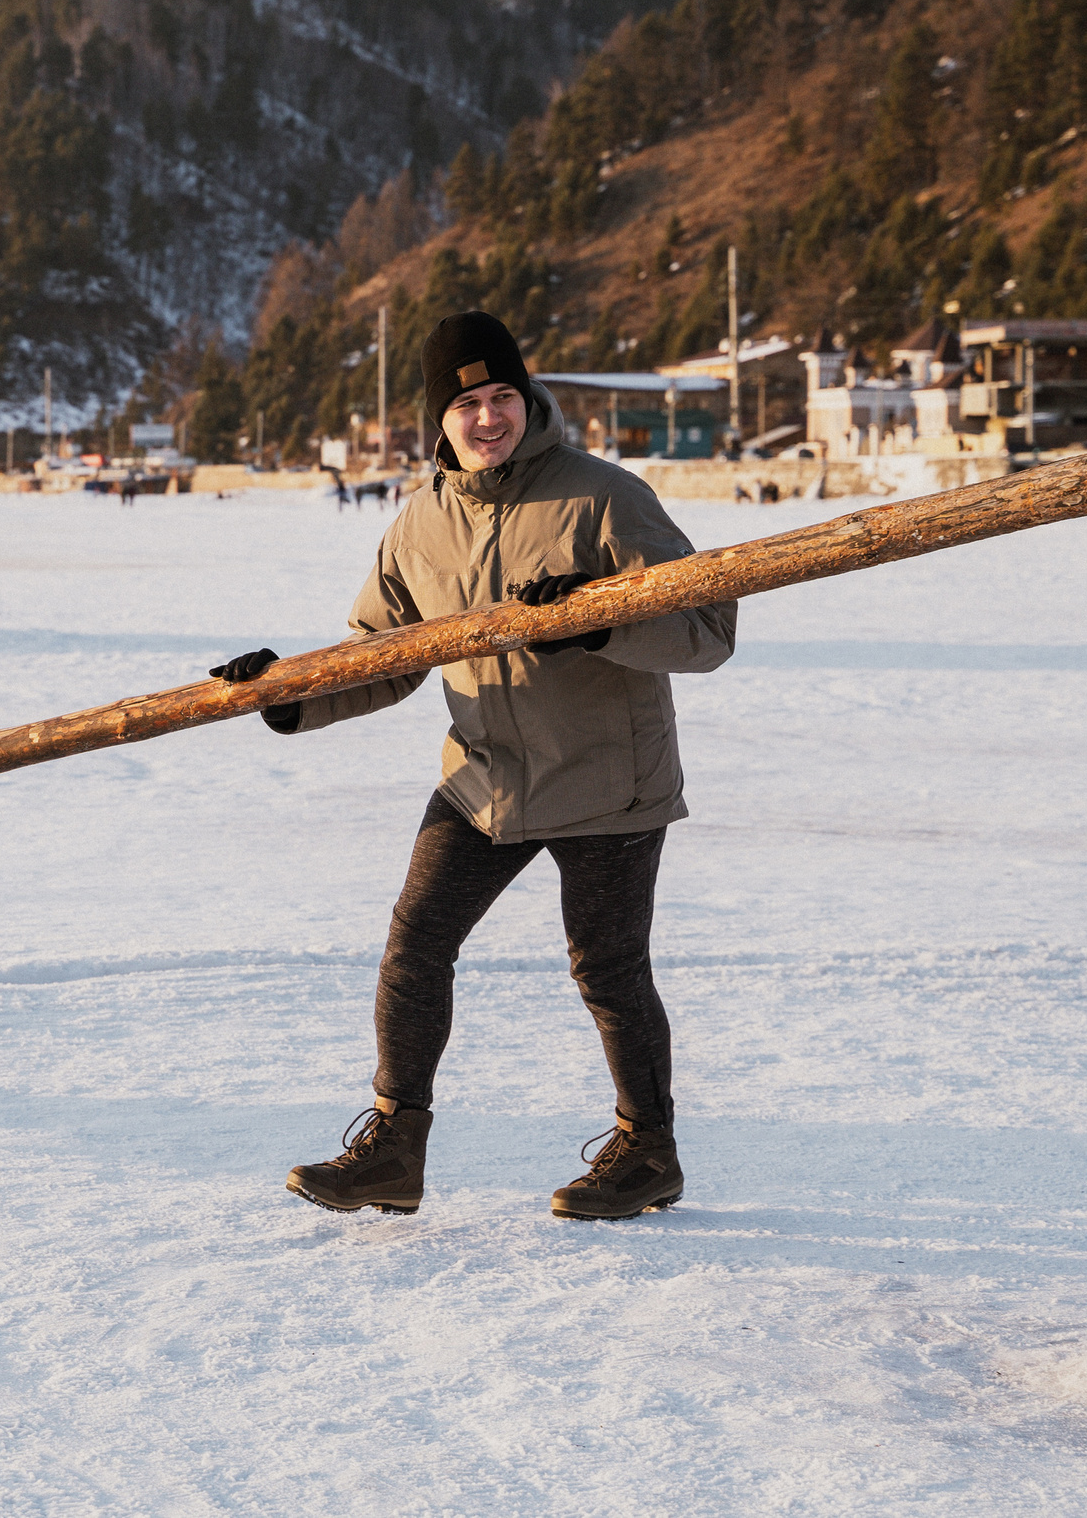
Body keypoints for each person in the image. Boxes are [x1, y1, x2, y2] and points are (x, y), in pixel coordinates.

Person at [213, 310, 735, 1221]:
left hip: (609, 777)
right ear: (439, 421)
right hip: (483, 777)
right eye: (466, 405)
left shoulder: (605, 496)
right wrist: (289, 693)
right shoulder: (420, 526)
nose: (487, 417)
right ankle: (393, 1147)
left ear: (527, 399)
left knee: (607, 970)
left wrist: (601, 621)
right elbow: (382, 656)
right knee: (415, 948)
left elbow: (708, 630)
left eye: (502, 397)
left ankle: (649, 1151)